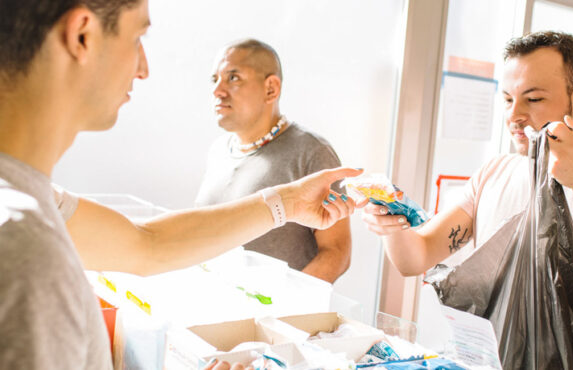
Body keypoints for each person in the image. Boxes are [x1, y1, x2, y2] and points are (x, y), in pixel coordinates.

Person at [0, 0, 359, 369]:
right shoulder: (26, 250)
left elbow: (147, 243)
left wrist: (285, 201)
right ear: (82, 36)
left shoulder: (31, 203)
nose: (144, 69)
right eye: (139, 36)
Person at [361, 31, 573, 336]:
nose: (514, 115)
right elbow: (416, 257)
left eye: (534, 99)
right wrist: (391, 221)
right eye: (507, 99)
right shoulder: (494, 173)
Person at [196, 39, 351, 283]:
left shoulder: (312, 152)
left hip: (273, 317)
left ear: (271, 89)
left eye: (233, 78)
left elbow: (337, 253)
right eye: (214, 79)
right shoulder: (218, 151)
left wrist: (283, 308)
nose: (218, 90)